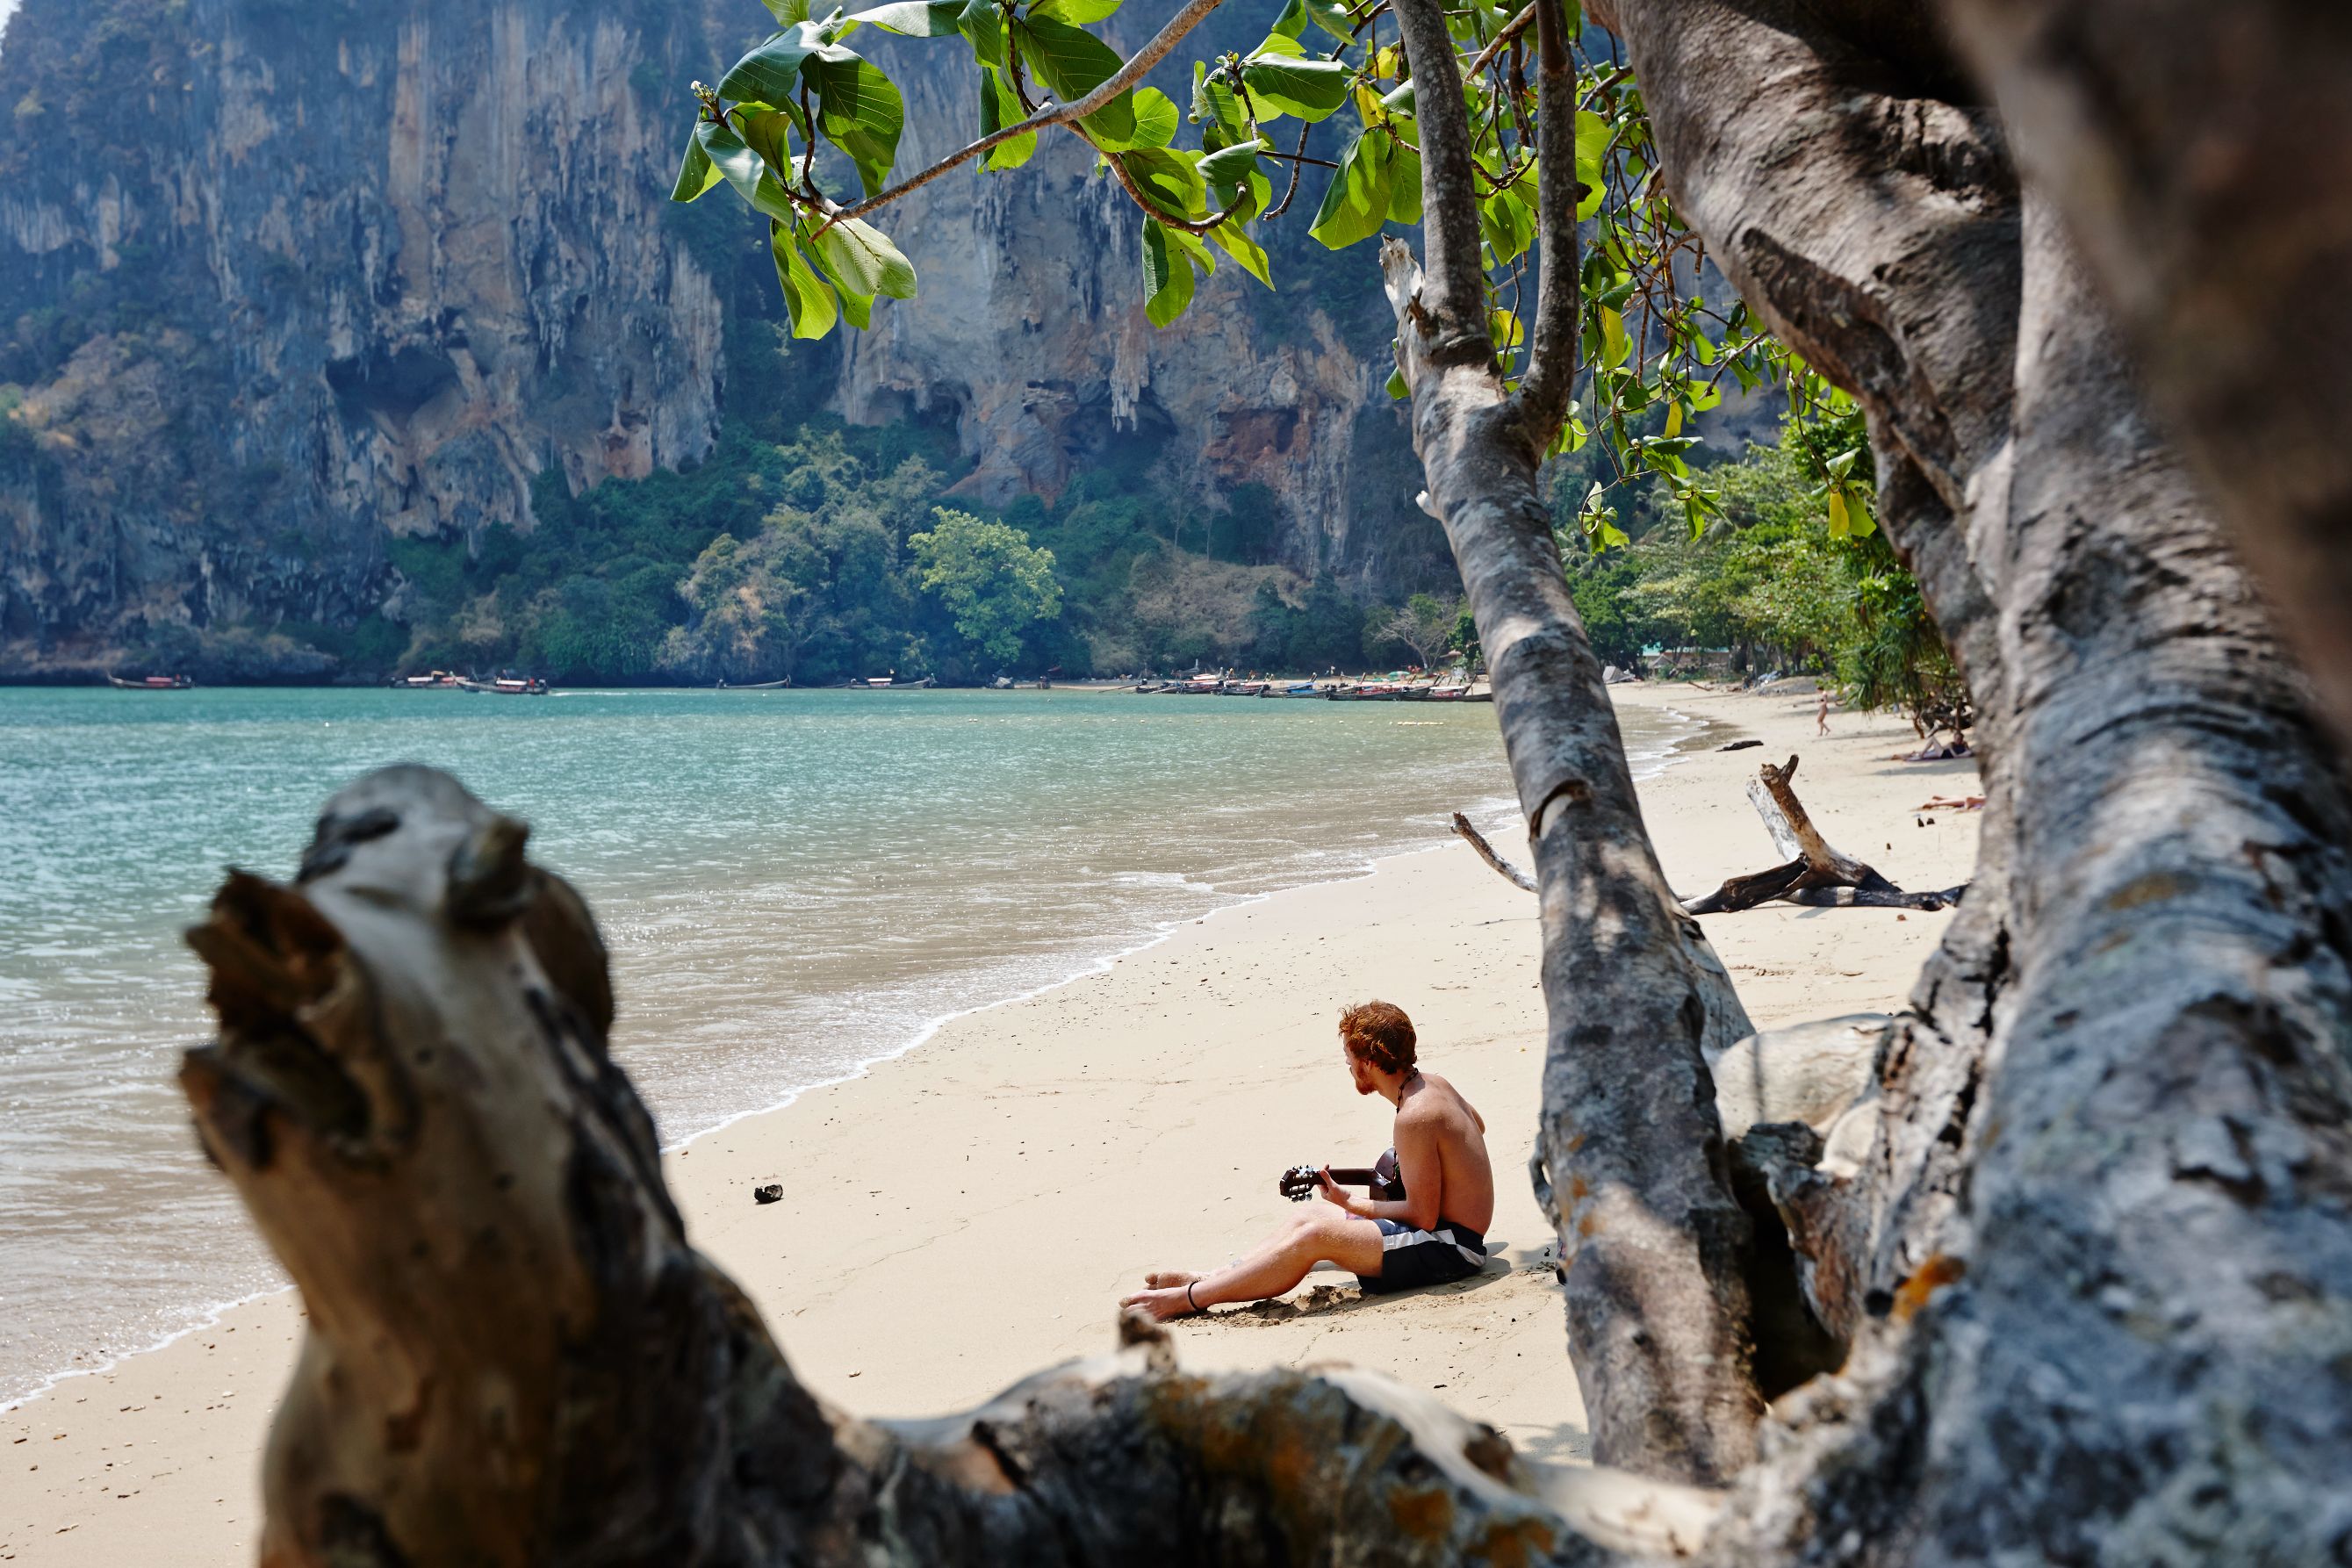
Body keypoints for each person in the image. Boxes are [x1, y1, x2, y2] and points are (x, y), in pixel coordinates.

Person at [1118, 1001, 1495, 1321]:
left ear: (1369, 1061)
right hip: (1448, 1230)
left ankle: (1189, 1299)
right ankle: (1212, 1276)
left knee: (1315, 1237)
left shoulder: (1414, 1115)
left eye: (1349, 1058)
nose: (1348, 1066)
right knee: (1308, 1217)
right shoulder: (1435, 1084)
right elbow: (1475, 1125)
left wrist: (1350, 1202)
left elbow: (1423, 1217)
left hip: (1452, 1248)